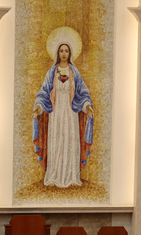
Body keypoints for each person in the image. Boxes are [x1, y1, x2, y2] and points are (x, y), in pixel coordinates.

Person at [33, 42, 94, 188]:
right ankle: (55, 175)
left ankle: (70, 176)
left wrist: (87, 106)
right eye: (61, 51)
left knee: (69, 140)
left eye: (66, 51)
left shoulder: (74, 72)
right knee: (57, 140)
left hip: (70, 111)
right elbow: (44, 92)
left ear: (70, 53)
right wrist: (38, 107)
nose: (64, 53)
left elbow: (82, 92)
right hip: (56, 112)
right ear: (58, 53)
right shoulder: (52, 72)